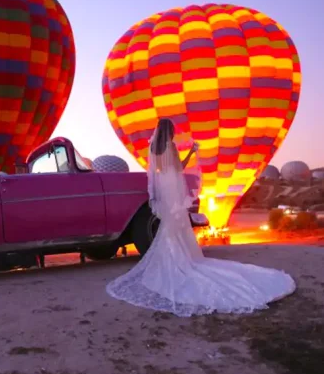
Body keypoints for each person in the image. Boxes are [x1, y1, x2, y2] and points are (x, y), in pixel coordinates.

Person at [106, 118, 296, 317]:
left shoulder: (153, 147)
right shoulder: (170, 146)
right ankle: (182, 258)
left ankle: (172, 257)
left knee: (169, 226)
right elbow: (179, 167)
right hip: (172, 187)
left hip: (163, 187)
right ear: (170, 131)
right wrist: (192, 152)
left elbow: (156, 171)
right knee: (177, 225)